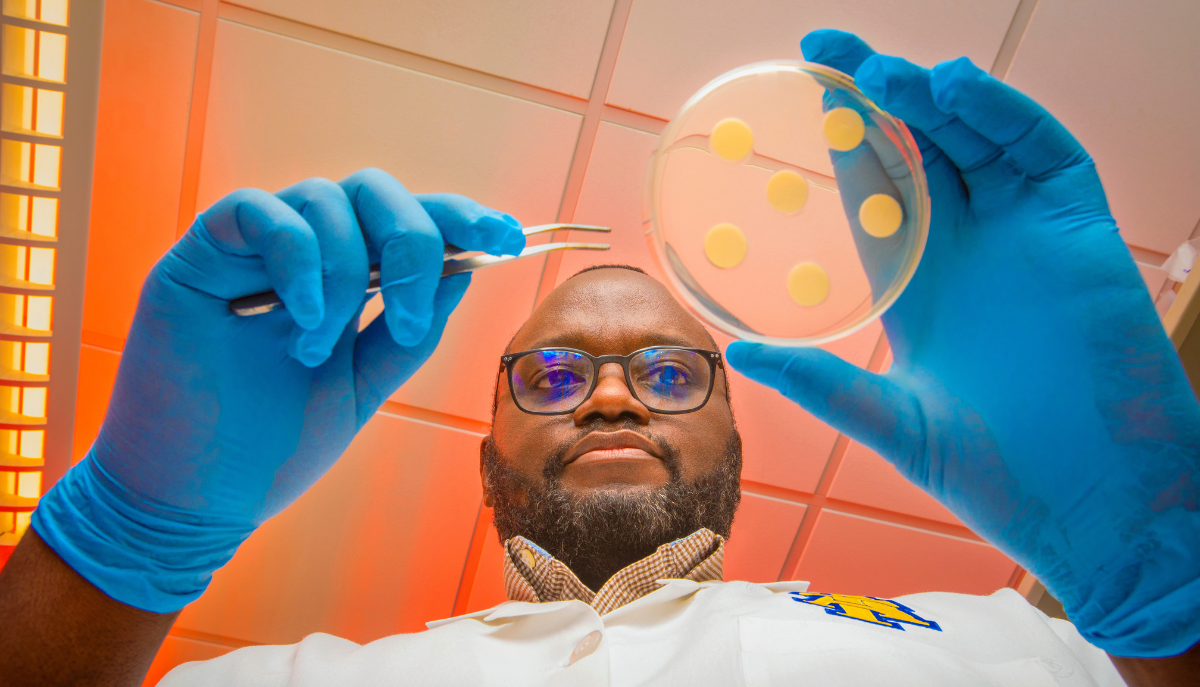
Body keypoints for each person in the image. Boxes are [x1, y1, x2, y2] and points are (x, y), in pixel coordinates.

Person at [0, 30, 1196, 687]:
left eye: (672, 373)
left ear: (738, 440)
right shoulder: (284, 683)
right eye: (554, 376)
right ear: (486, 461)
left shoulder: (1023, 651)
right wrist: (117, 546)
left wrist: (1173, 598)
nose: (613, 391)